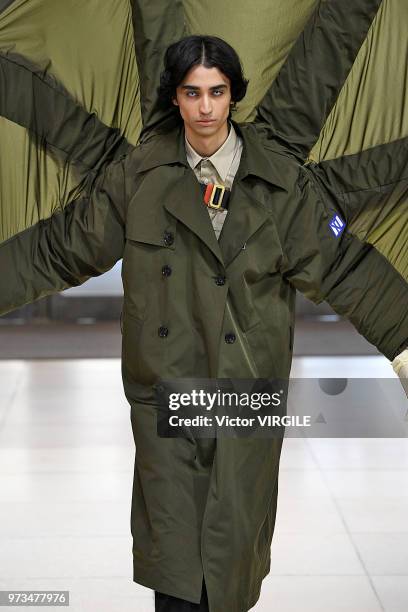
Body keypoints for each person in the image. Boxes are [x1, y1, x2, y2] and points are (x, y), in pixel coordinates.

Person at [0, 2, 407, 611]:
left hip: (246, 396)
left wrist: (402, 340)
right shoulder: (138, 177)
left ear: (234, 96)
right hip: (169, 393)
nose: (206, 107)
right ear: (177, 99)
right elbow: (63, 249)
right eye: (192, 93)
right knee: (177, 568)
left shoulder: (280, 187)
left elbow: (342, 266)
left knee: (231, 566)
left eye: (217, 92)